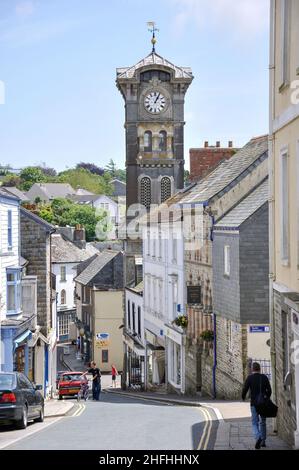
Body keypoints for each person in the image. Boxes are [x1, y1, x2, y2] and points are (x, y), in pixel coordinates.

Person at [242, 362, 272, 449]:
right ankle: (263, 441)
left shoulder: (250, 378)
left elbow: (245, 389)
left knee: (255, 422)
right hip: (263, 403)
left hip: (254, 404)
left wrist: (243, 397)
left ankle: (258, 436)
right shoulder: (264, 377)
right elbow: (269, 390)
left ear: (252, 369)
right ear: (260, 369)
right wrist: (266, 396)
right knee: (263, 422)